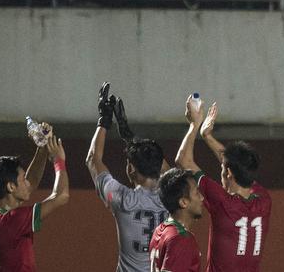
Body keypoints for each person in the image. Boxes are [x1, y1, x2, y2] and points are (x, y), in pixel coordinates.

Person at [175, 96, 272, 272]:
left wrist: (194, 124)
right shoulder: (264, 200)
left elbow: (183, 160)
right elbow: (235, 165)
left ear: (228, 173)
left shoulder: (222, 202)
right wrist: (208, 136)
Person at [85, 82, 168, 272]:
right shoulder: (173, 196)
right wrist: (131, 137)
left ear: (131, 169)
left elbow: (92, 159)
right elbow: (164, 168)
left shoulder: (122, 199)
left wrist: (103, 121)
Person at [0, 130, 70, 272]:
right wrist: (59, 161)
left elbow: (30, 184)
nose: (27, 183)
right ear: (10, 186)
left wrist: (42, 148)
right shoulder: (13, 220)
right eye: (22, 179)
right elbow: (62, 196)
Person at [149, 168, 206, 272]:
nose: (202, 198)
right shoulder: (181, 239)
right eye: (197, 193)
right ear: (183, 202)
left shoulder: (160, 230)